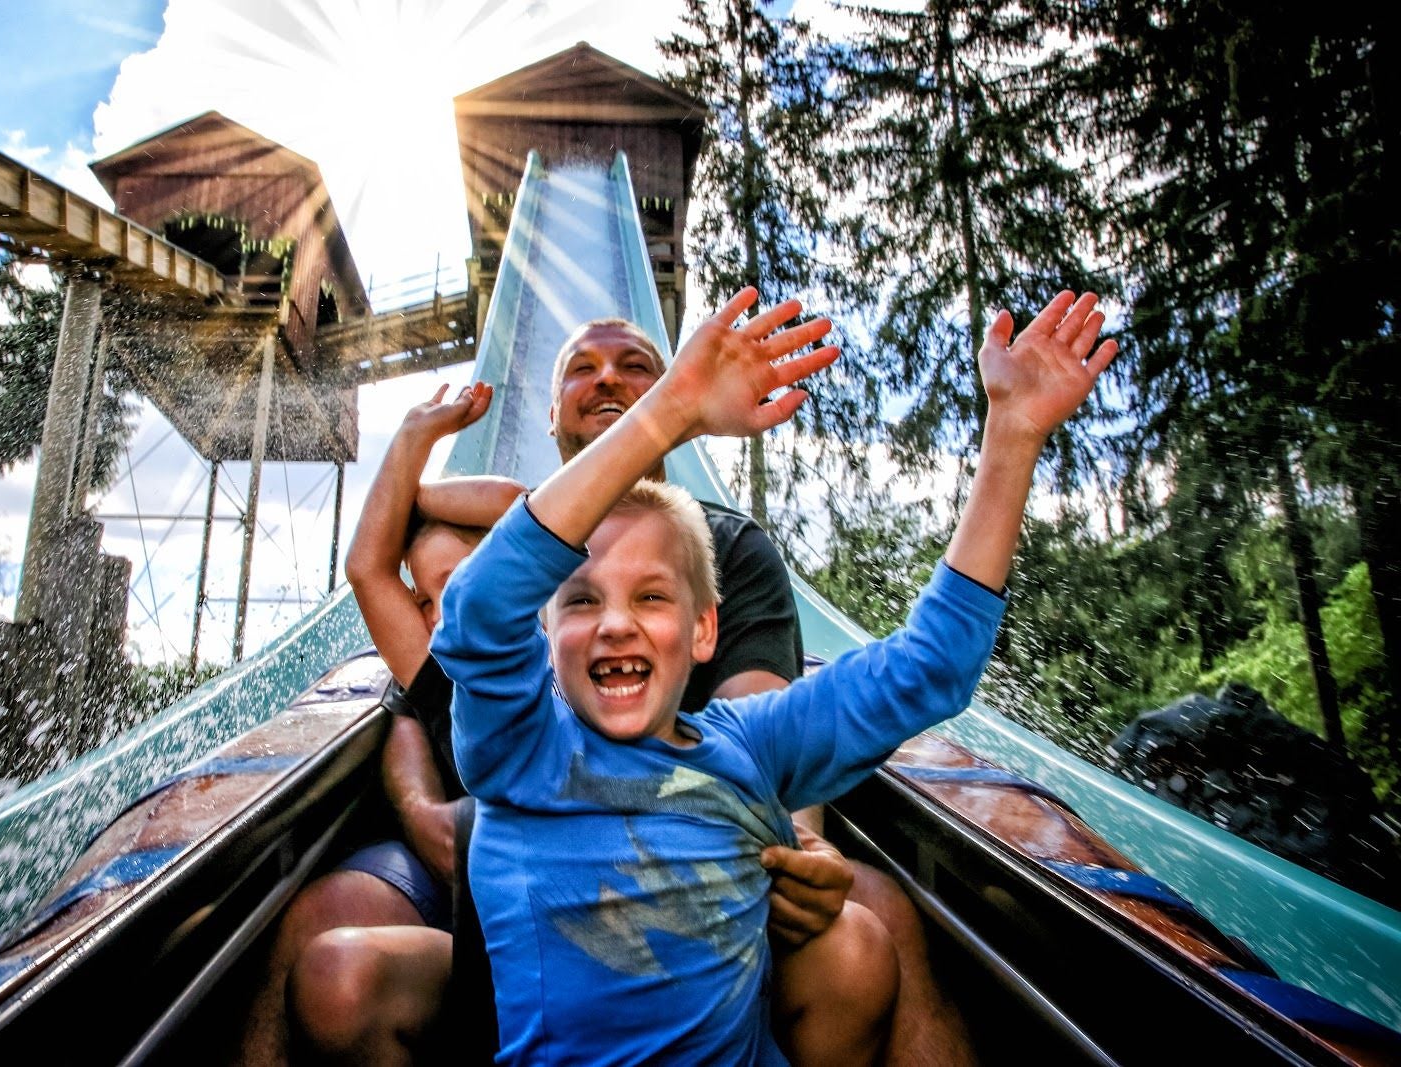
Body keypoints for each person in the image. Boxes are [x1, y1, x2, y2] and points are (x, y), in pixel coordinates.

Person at [432, 286, 1115, 1062]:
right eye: (583, 600)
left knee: (867, 930)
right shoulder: (519, 748)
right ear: (545, 631)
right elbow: (477, 611)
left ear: (704, 629)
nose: (616, 622)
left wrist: (1013, 437)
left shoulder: (746, 744)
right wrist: (669, 407)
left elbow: (930, 666)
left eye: (651, 597)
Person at [238, 359, 851, 1063]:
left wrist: (797, 837)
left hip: (642, 913)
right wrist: (412, 438)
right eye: (426, 599)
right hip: (514, 939)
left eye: (455, 593)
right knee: (329, 947)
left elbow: (763, 746)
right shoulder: (463, 676)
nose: (439, 616)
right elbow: (386, 571)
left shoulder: (592, 681)